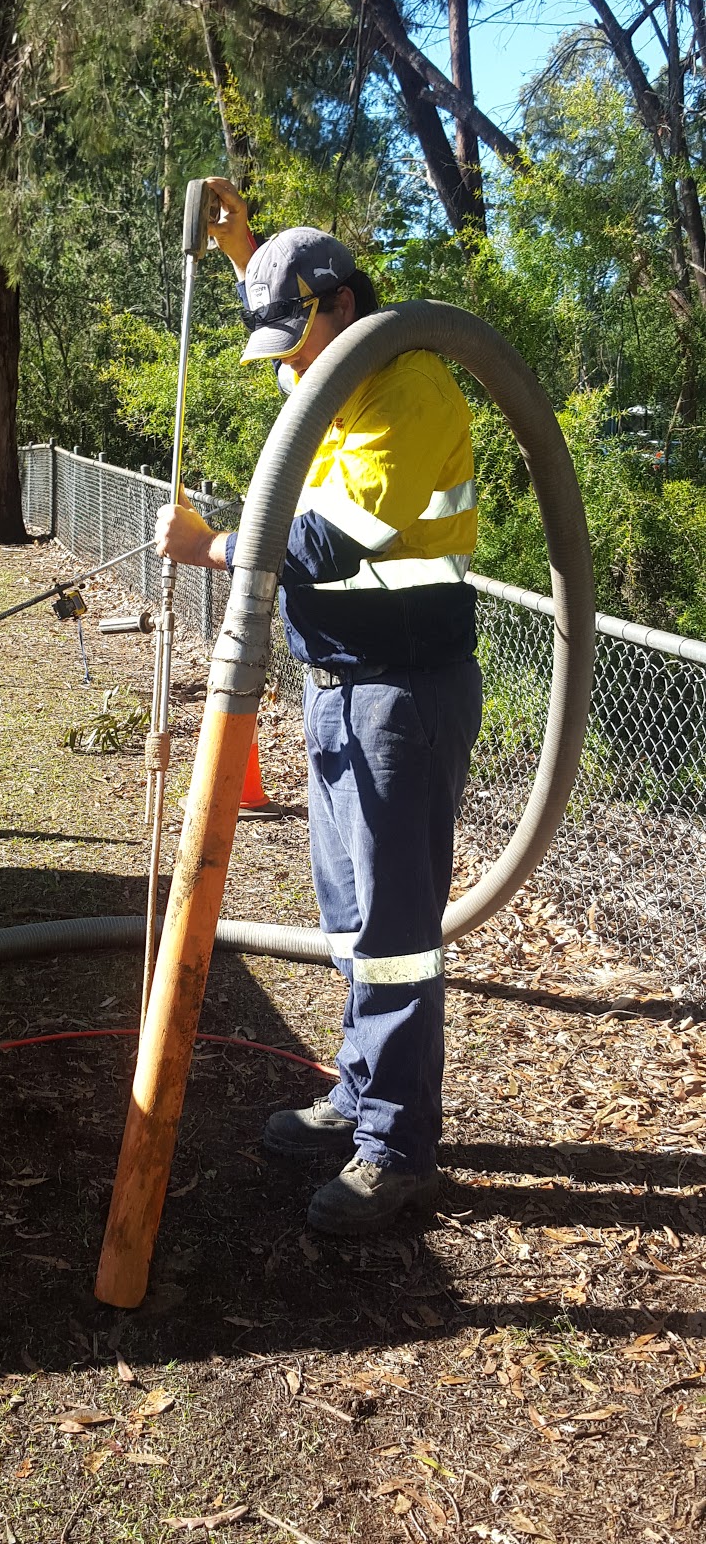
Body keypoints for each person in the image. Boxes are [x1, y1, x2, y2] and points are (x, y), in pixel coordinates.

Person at [155, 178, 482, 1235]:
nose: (290, 364)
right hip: (340, 687)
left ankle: (398, 1146)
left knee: (395, 934)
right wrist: (246, 247)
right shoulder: (338, 381)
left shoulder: (412, 386)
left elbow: (325, 542)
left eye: (300, 337)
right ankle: (357, 1092)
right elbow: (300, 405)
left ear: (342, 307)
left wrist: (207, 547)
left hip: (403, 696)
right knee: (352, 924)